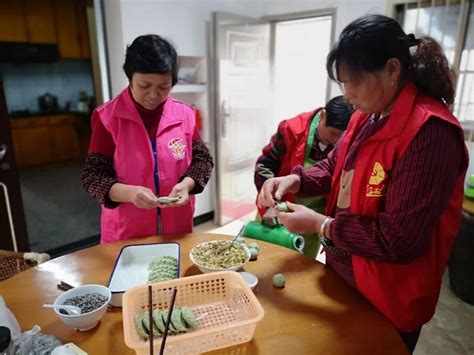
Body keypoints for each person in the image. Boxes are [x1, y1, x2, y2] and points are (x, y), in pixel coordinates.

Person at [258, 14, 468, 353]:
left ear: (392, 70)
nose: (347, 93)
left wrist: (322, 225)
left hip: (391, 295)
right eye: (343, 83)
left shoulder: (431, 133)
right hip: (347, 274)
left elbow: (399, 240)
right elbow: (332, 168)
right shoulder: (366, 116)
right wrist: (294, 178)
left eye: (354, 82)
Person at [82, 34, 213, 243]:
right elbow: (93, 177)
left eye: (163, 86)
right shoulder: (108, 118)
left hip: (178, 228)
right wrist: (130, 194)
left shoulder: (185, 114)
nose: (153, 94)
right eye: (144, 85)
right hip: (127, 233)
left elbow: (203, 161)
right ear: (130, 78)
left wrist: (186, 185)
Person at [253, 96, 352, 257]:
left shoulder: (347, 143)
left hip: (313, 221)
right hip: (276, 213)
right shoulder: (291, 129)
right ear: (323, 116)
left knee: (300, 267)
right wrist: (271, 204)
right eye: (333, 133)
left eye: (341, 136)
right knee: (265, 259)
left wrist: (319, 222)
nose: (336, 140)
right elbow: (265, 165)